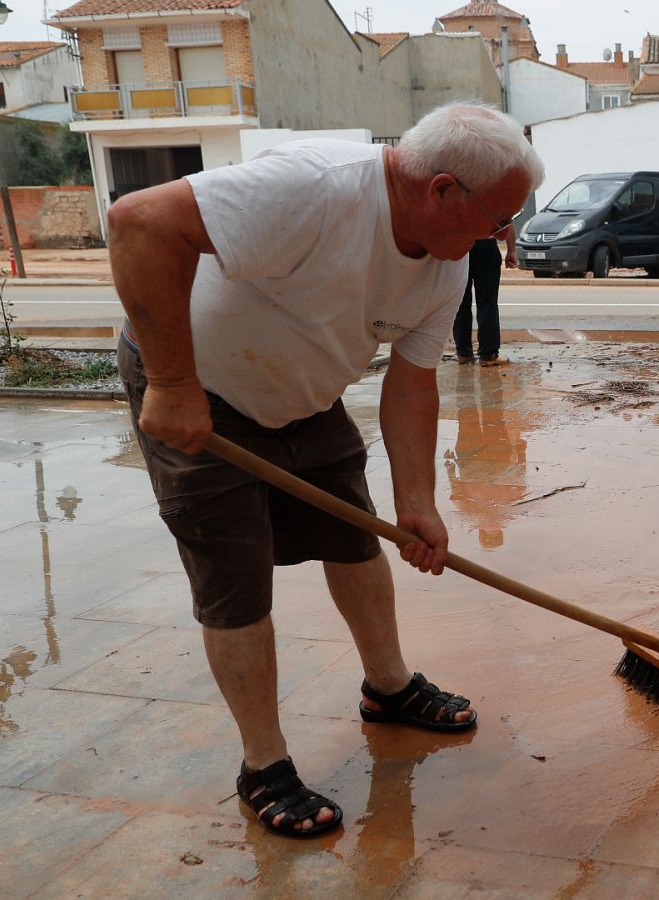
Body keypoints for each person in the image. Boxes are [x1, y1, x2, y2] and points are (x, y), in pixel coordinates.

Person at [107, 102, 543, 839]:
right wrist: (173, 382)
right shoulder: (316, 187)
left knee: (356, 539)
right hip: (200, 392)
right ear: (441, 190)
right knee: (235, 580)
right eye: (496, 219)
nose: (501, 238)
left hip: (307, 397)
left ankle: (390, 686)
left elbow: (411, 380)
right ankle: (263, 763)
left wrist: (418, 501)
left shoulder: (446, 268)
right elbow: (139, 221)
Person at [453, 226, 516, 366]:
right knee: (487, 301)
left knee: (460, 301)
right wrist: (511, 250)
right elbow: (507, 221)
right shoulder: (495, 202)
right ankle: (488, 355)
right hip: (486, 244)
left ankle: (463, 353)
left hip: (459, 246)